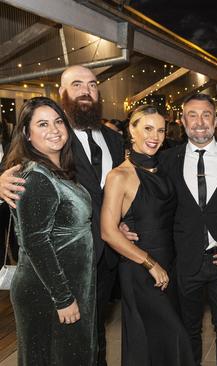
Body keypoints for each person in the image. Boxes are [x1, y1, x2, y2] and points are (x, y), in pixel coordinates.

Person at [0, 65, 124, 366]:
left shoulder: (114, 141)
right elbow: (34, 237)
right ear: (63, 92)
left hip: (100, 260)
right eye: (77, 84)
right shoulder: (38, 166)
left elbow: (118, 194)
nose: (86, 91)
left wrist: (121, 225)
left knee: (91, 340)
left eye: (93, 85)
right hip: (55, 278)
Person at [100, 105, 193, 365]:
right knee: (166, 339)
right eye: (148, 128)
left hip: (168, 265)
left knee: (162, 343)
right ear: (132, 130)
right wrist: (150, 263)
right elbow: (108, 232)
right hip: (140, 269)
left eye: (161, 130)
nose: (155, 136)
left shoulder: (162, 169)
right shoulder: (119, 176)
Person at [7, 97, 96, 365]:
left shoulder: (56, 171)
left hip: (63, 285)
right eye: (42, 124)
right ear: (27, 133)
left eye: (58, 121)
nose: (54, 129)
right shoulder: (37, 178)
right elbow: (35, 242)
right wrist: (63, 298)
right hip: (48, 291)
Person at [153, 93, 217, 365]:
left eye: (206, 115)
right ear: (182, 120)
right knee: (188, 330)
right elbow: (143, 195)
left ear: (215, 120)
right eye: (192, 115)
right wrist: (123, 221)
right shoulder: (166, 160)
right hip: (185, 259)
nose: (199, 122)